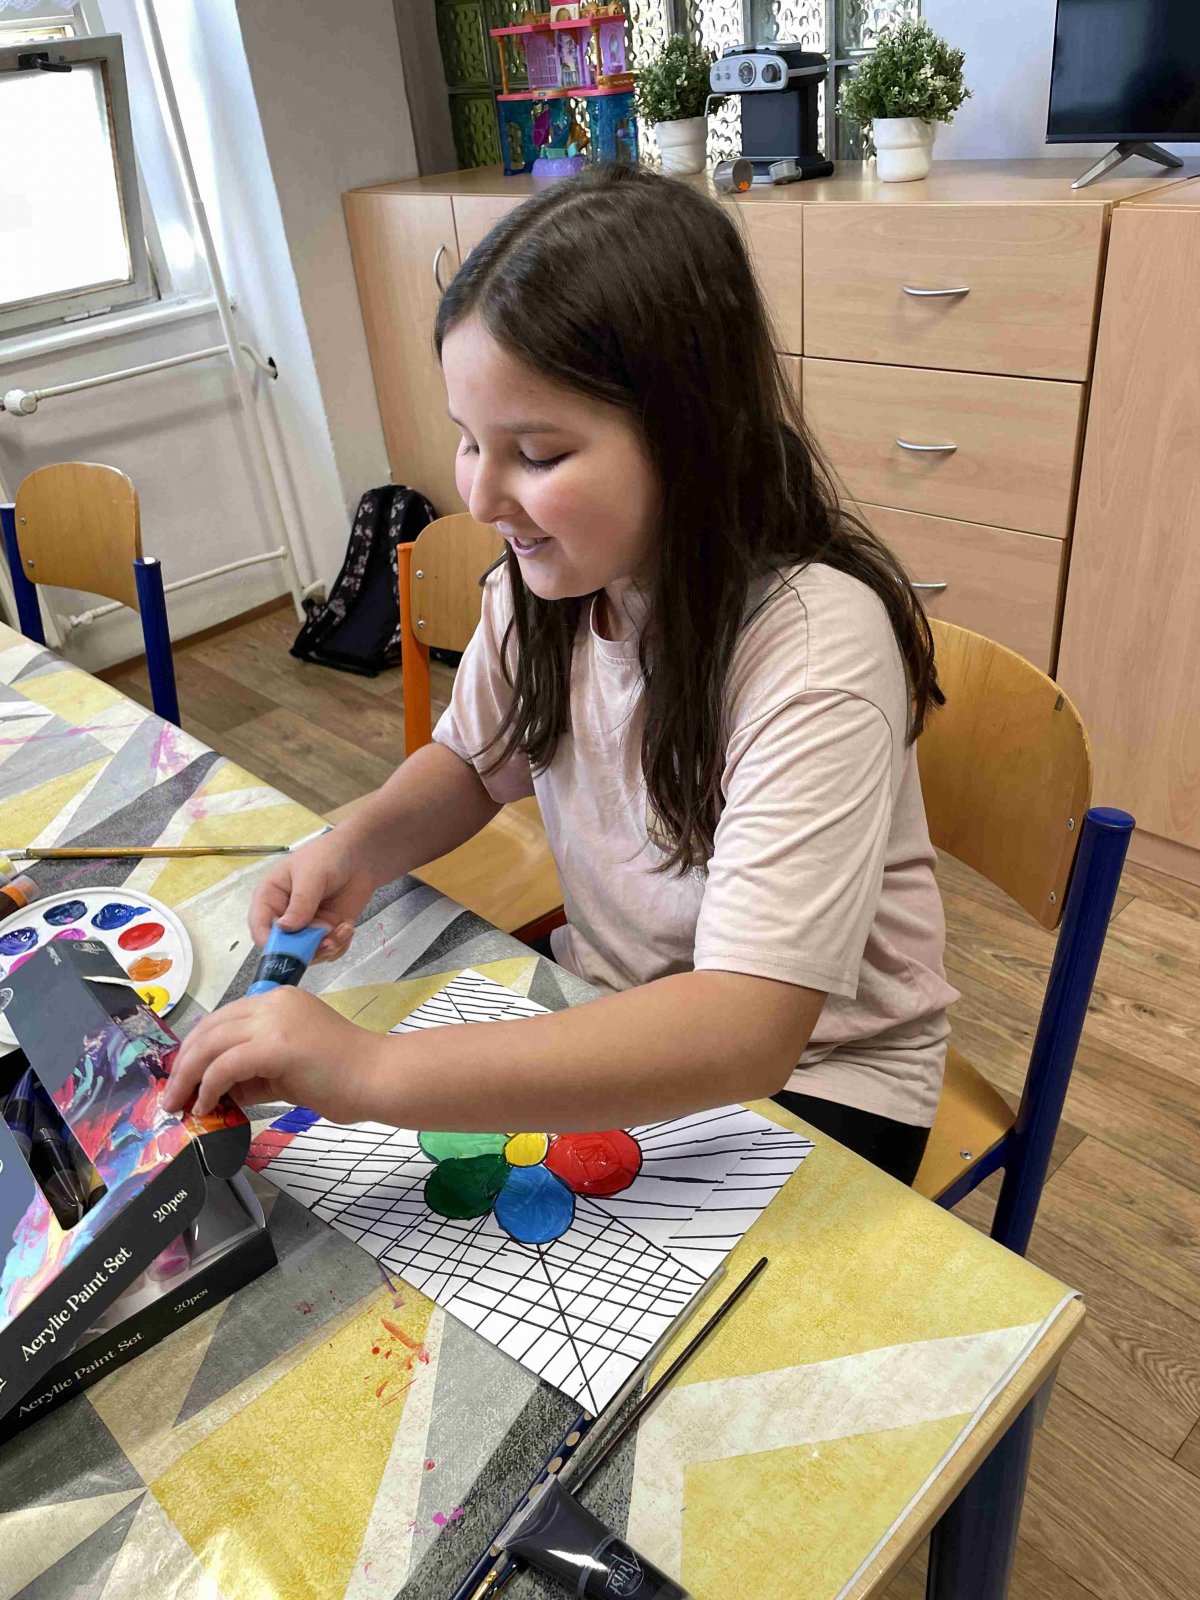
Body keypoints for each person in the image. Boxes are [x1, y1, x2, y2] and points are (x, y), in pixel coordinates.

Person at [164, 165, 959, 1185]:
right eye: (467, 441)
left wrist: (368, 1070)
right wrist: (356, 845)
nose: (482, 495)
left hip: (816, 1077)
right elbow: (470, 763)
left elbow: (747, 1028)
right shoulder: (545, 584)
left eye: (536, 454)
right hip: (620, 1005)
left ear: (690, 440)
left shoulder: (814, 651)